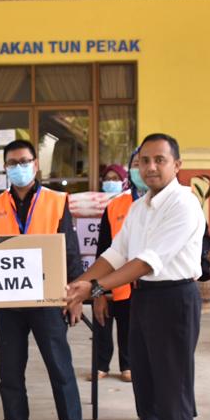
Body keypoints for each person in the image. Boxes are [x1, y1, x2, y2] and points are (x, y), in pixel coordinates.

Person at [65, 133, 205, 420]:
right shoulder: (141, 206)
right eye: (145, 161)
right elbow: (116, 253)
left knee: (172, 393)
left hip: (174, 299)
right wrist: (81, 282)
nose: (151, 167)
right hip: (143, 298)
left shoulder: (184, 205)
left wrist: (93, 289)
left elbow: (146, 261)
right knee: (145, 385)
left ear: (177, 165)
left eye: (160, 160)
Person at [0, 139, 88, 420]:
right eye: (12, 163)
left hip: (48, 298)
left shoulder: (56, 200)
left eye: (24, 161)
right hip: (8, 300)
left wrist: (75, 297)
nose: (19, 167)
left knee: (60, 366)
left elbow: (70, 250)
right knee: (10, 369)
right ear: (5, 168)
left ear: (36, 164)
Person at [90, 164, 134, 386]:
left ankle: (127, 365)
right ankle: (100, 365)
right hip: (107, 283)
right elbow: (103, 253)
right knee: (101, 322)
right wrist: (97, 292)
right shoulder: (114, 206)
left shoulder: (147, 206)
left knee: (128, 328)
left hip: (133, 285)